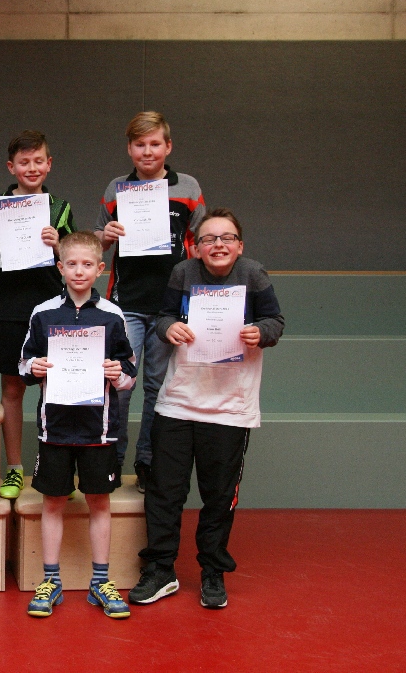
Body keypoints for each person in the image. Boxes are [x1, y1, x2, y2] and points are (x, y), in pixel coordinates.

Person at [129, 208, 284, 610]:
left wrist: (260, 332)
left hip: (231, 407)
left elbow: (275, 321)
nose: (218, 244)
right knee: (164, 492)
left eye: (226, 238)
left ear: (239, 245)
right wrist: (168, 327)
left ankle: (213, 571)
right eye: (209, 239)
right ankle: (161, 569)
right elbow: (163, 317)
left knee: (218, 495)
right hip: (179, 402)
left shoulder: (253, 274)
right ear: (196, 247)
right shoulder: (183, 272)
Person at [18, 231, 136, 619]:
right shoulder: (43, 312)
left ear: (100, 269)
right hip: (53, 429)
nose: (79, 271)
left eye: (87, 264)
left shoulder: (113, 315)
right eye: (72, 264)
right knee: (53, 502)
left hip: (98, 431)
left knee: (99, 502)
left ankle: (100, 581)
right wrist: (34, 367)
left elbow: (130, 373)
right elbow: (24, 363)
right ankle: (50, 580)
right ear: (60, 268)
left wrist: (118, 373)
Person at [94, 112, 206, 493]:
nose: (147, 151)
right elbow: (95, 242)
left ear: (168, 147)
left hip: (169, 308)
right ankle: (111, 460)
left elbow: (202, 239)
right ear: (129, 149)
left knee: (158, 387)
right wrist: (105, 235)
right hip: (125, 302)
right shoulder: (116, 189)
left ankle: (147, 462)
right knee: (119, 383)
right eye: (139, 144)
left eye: (155, 143)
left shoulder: (188, 187)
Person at [0, 130, 74, 500]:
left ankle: (56, 468)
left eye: (38, 161)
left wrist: (59, 245)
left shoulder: (60, 208)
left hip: (53, 311)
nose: (31, 168)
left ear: (49, 164)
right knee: (12, 389)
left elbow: (74, 260)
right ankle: (14, 468)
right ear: (11, 167)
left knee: (56, 390)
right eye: (24, 162)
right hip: (10, 310)